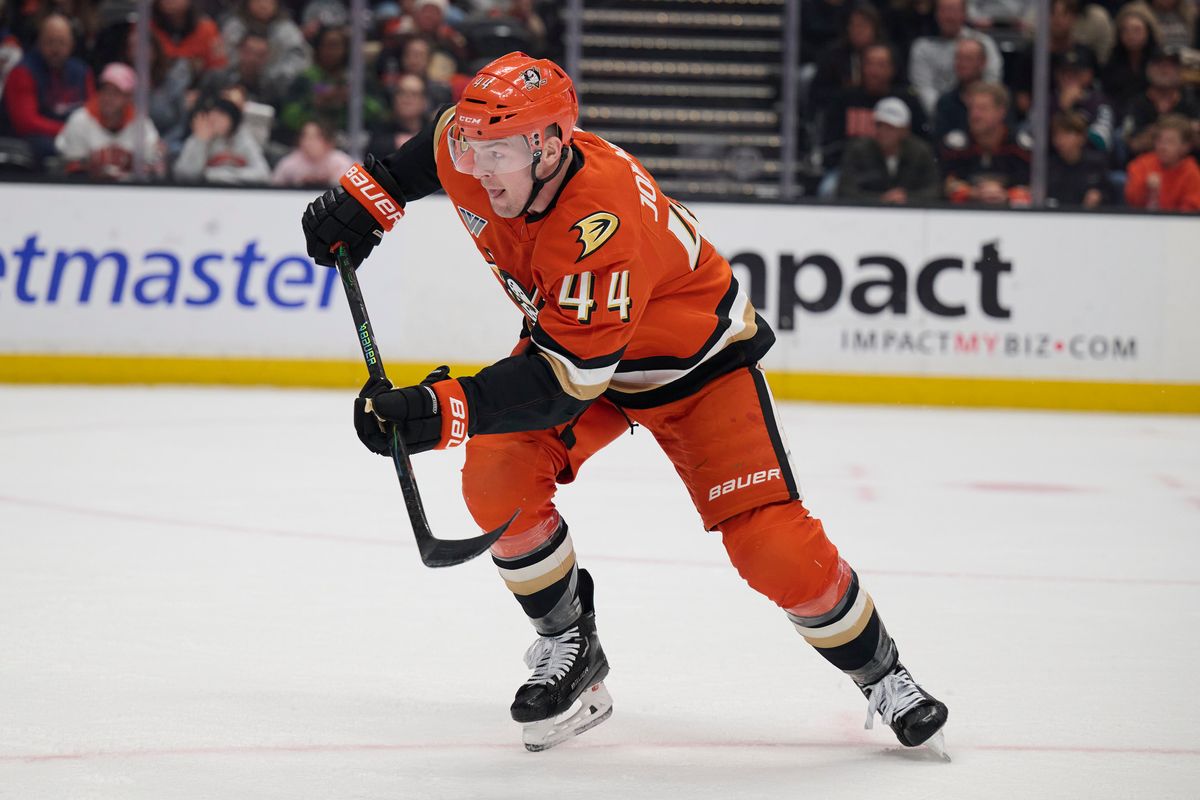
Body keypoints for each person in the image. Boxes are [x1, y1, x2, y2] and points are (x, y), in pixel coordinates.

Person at [300, 52, 951, 754]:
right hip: (584, 353)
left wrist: (440, 409)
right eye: (474, 146)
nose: (482, 170)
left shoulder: (599, 220)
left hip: (695, 370)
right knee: (496, 478)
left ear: (550, 145)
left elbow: (562, 384)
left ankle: (885, 676)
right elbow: (425, 154)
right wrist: (367, 200)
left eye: (503, 152)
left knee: (773, 549)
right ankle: (571, 647)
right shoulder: (471, 148)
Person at [0, 13, 93, 165]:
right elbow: (26, 123)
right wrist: (69, 131)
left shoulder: (82, 72)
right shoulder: (23, 72)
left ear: (71, 44)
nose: (56, 49)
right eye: (50, 42)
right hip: (30, 144)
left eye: (61, 43)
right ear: (40, 43)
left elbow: (92, 113)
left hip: (72, 137)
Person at [54, 62, 162, 180]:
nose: (108, 97)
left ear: (129, 97)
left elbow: (153, 167)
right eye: (105, 90)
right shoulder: (80, 120)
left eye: (116, 92)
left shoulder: (141, 124)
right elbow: (72, 168)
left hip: (130, 193)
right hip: (87, 191)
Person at [942, 82, 1032, 204]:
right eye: (972, 108)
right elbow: (948, 185)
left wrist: (1006, 195)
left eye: (982, 109)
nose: (975, 115)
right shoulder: (957, 144)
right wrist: (976, 194)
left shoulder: (1021, 145)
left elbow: (1035, 187)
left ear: (1001, 112)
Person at [837, 96, 941, 201]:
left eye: (891, 127)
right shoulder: (858, 151)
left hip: (911, 213)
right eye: (879, 125)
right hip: (868, 213)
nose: (883, 132)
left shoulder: (920, 152)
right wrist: (880, 199)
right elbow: (846, 190)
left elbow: (934, 189)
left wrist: (907, 198)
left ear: (905, 130)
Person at [908, 0, 1003, 114]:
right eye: (944, 10)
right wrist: (947, 114)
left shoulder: (983, 43)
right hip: (940, 114)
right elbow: (924, 90)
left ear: (965, 13)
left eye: (954, 10)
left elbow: (992, 82)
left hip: (979, 113)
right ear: (936, 14)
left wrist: (975, 112)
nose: (949, 16)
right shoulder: (922, 47)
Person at [173, 94, 269, 184]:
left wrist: (221, 174)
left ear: (232, 120)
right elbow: (184, 175)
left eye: (220, 116)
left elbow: (263, 173)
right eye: (211, 115)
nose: (214, 120)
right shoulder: (197, 137)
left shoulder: (243, 138)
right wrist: (200, 142)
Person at [1125, 113, 1200, 209]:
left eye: (1170, 142)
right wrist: (1145, 188)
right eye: (1159, 141)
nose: (1163, 147)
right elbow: (1131, 200)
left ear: (1185, 147)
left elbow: (1192, 209)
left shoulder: (1192, 173)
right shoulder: (1141, 164)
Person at [1047, 110, 1114, 207]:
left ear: (1081, 137)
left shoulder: (1096, 164)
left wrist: (1099, 197)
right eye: (1057, 135)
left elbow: (1110, 196)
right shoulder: (1049, 167)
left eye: (1067, 134)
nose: (1061, 139)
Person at [933, 37, 989, 142]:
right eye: (958, 58)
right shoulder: (945, 102)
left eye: (968, 59)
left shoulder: (997, 100)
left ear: (982, 63)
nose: (961, 64)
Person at [271, 117, 353, 186]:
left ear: (328, 142)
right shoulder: (289, 164)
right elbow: (274, 189)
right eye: (305, 136)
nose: (308, 142)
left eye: (314, 137)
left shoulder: (341, 162)